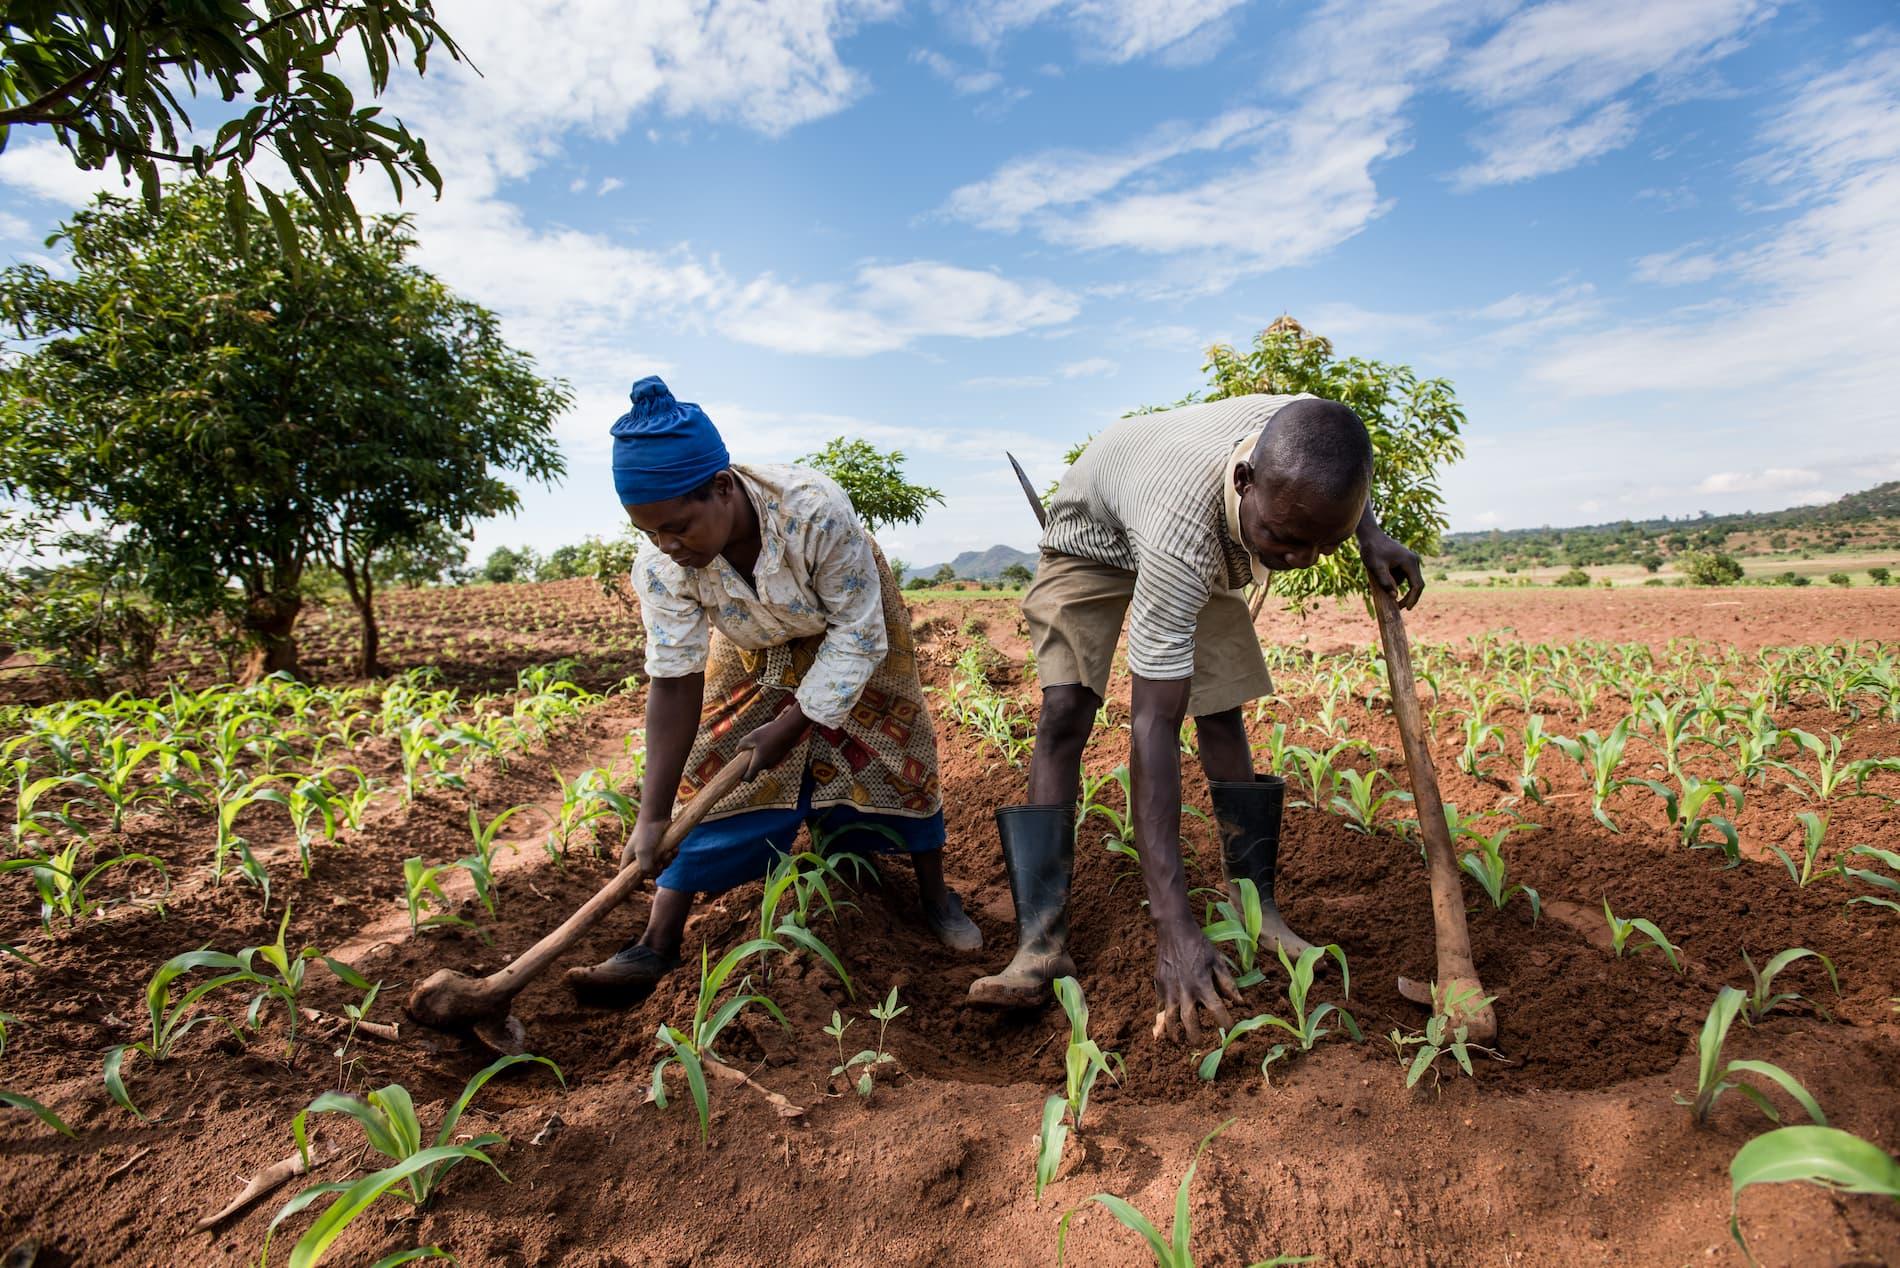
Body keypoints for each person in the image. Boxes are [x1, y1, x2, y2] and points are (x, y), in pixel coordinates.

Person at [966, 393, 1423, 1042]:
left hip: (1199, 525)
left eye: (1321, 544)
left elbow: (1341, 471)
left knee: (1221, 704)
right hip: (1093, 538)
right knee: (1066, 710)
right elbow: (1152, 726)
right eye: (1285, 540)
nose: (1299, 561)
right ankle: (1039, 945)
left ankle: (1255, 907)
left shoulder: (1307, 435)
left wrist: (1369, 534)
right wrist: (1173, 928)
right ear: (1246, 480)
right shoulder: (1180, 531)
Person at [567, 377, 980, 1005]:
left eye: (678, 527)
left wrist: (792, 725)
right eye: (650, 533)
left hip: (852, 620)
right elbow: (674, 682)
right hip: (753, 636)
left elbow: (856, 635)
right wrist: (651, 817)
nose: (668, 547)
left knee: (897, 747)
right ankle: (655, 942)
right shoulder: (664, 564)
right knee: (716, 757)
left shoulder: (813, 511)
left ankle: (934, 898)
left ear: (724, 489)